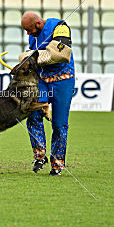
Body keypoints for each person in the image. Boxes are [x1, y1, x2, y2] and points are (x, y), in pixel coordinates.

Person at [21, 12, 75, 176]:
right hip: (42, 80)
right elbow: (37, 59)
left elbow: (60, 55)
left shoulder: (60, 27)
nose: (28, 34)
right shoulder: (33, 36)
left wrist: (30, 57)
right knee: (33, 113)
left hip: (63, 80)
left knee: (59, 124)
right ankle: (40, 154)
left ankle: (57, 163)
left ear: (38, 23)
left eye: (29, 30)